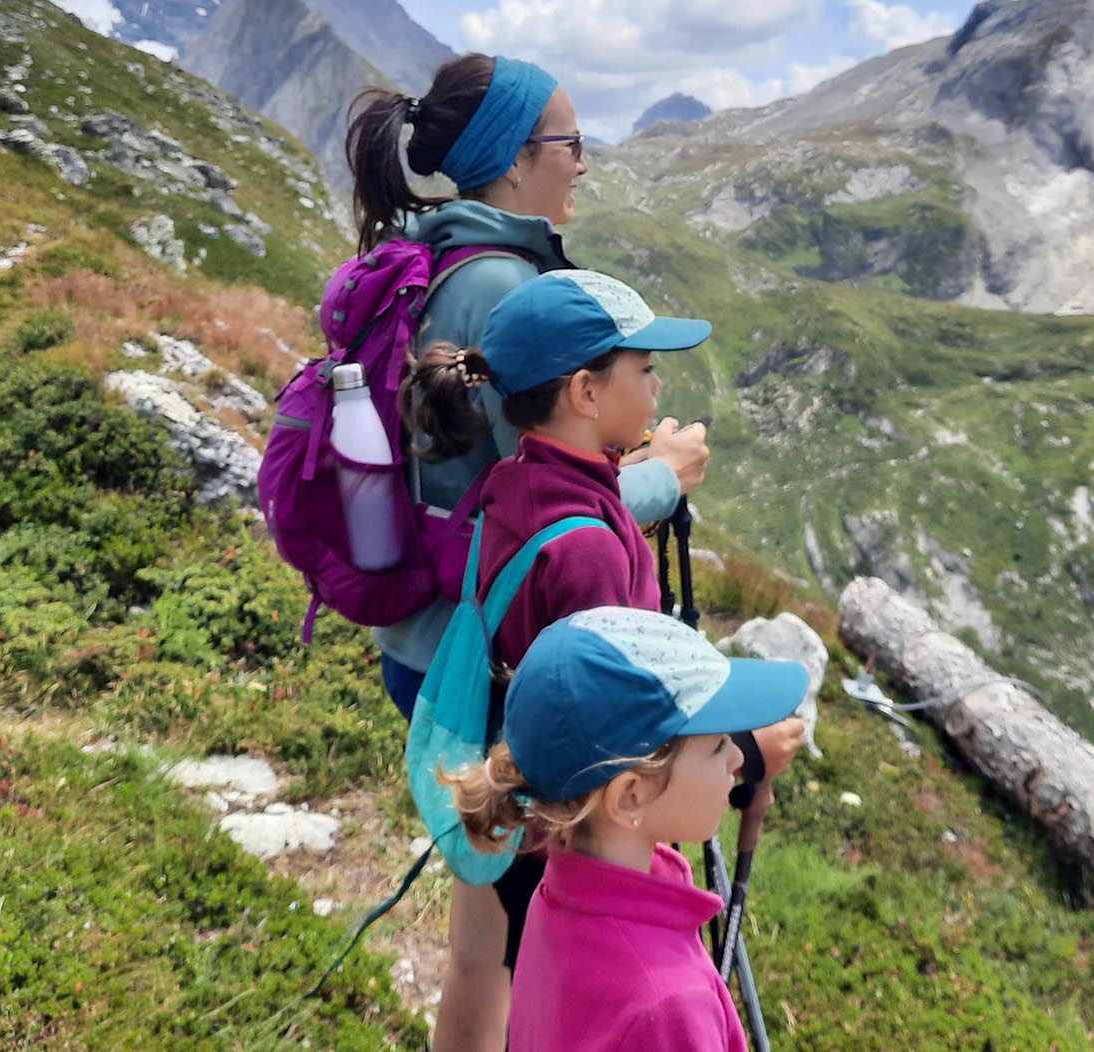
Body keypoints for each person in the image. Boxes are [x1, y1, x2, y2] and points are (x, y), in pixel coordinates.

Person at [346, 55, 709, 1052]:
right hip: (493, 666)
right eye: (571, 145)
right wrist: (663, 475)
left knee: (490, 920)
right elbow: (550, 497)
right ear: (514, 161)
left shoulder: (442, 255)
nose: (584, 164)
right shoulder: (498, 283)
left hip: (440, 633)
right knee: (531, 934)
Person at [403, 269, 805, 1049]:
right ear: (586, 392)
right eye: (644, 370)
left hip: (521, 776)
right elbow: (608, 706)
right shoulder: (589, 547)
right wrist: (746, 750)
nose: (657, 387)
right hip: (567, 817)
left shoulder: (518, 483)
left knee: (495, 958)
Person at [454, 606, 809, 1052]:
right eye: (719, 744)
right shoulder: (669, 1007)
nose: (738, 761)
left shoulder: (557, 900)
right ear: (630, 796)